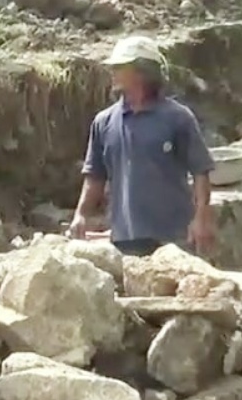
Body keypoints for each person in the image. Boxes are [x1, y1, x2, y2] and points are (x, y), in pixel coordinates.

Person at [69, 35, 217, 257]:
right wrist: (81, 215)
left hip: (174, 237)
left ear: (141, 72)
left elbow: (200, 172)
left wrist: (201, 218)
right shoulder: (104, 122)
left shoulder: (177, 118)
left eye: (120, 67)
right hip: (125, 238)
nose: (113, 72)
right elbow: (95, 176)